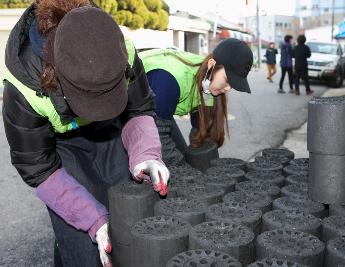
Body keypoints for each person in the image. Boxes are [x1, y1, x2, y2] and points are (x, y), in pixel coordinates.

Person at [2, 1, 170, 266]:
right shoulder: (22, 89)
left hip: (113, 133)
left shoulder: (120, 49)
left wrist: (145, 153)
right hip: (61, 149)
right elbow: (38, 168)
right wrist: (92, 220)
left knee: (129, 217)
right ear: (57, 75)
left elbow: (138, 109)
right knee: (80, 243)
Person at [139, 38, 253, 166]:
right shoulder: (169, 80)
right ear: (211, 65)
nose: (228, 88)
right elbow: (156, 136)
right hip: (122, 108)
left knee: (183, 155)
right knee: (158, 168)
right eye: (227, 80)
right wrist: (187, 175)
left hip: (157, 112)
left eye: (233, 84)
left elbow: (201, 126)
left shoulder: (206, 83)